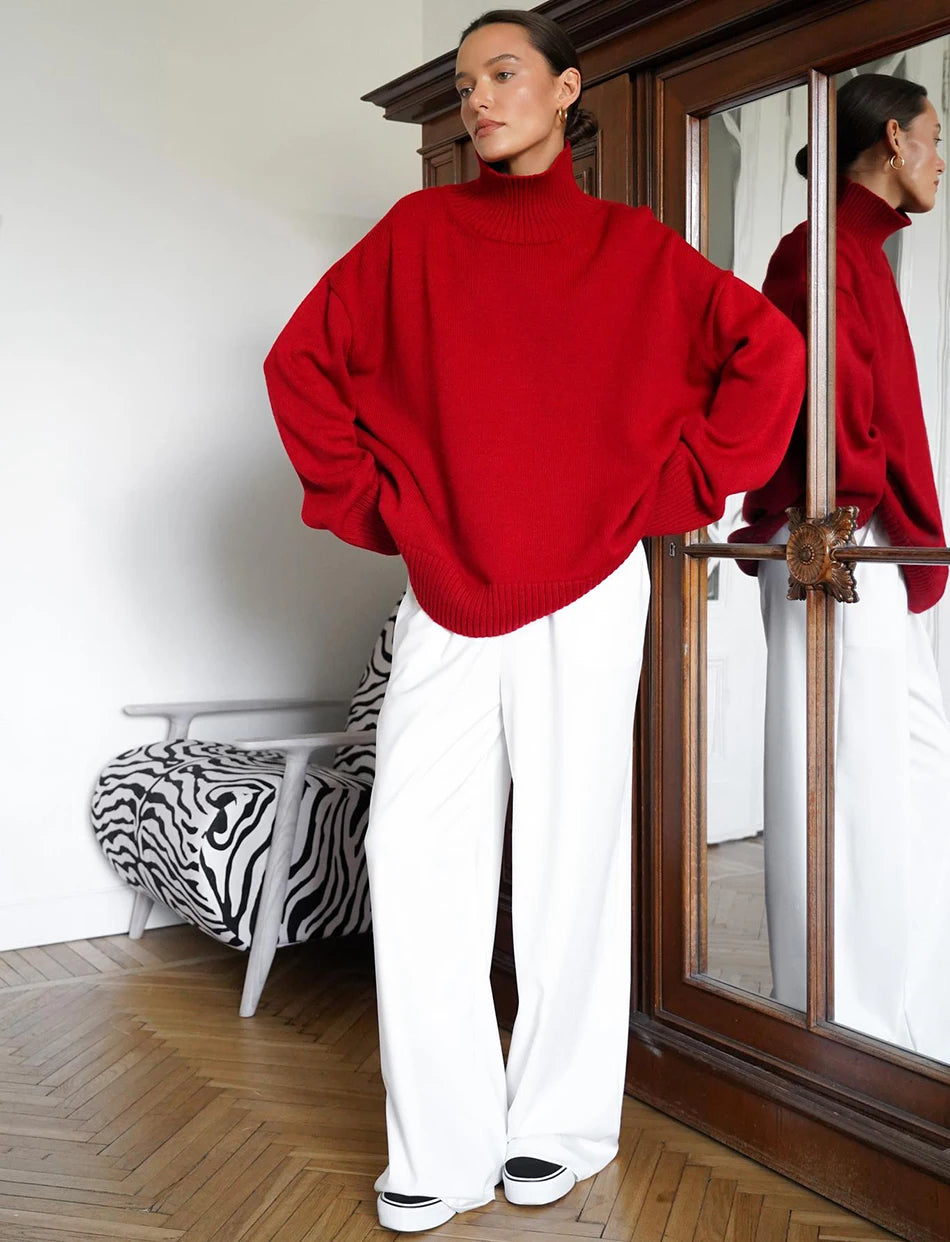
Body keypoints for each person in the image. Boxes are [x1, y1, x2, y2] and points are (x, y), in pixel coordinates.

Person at [263, 9, 805, 1233]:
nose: (478, 98)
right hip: (447, 587)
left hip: (592, 588)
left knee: (571, 859)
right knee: (414, 858)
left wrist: (673, 489)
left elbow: (766, 352)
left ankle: (554, 1128)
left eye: (502, 74)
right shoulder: (414, 236)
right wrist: (384, 510)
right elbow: (299, 366)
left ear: (565, 89)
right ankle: (440, 1146)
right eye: (464, 83)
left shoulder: (631, 249)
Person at [732, 73, 950, 1062]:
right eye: (935, 137)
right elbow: (808, 408)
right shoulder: (815, 251)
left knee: (910, 773)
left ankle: (906, 1013)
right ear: (894, 139)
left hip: (872, 548)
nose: (940, 160)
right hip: (837, 546)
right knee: (844, 782)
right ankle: (842, 1025)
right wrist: (846, 509)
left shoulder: (855, 252)